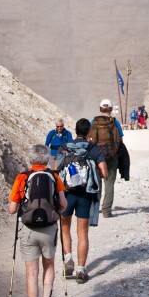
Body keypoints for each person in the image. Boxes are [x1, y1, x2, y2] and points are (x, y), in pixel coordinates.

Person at [8, 144, 67, 297]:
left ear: (31, 160)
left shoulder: (22, 177)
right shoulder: (54, 176)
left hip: (29, 229)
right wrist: (55, 212)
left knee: (31, 272)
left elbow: (12, 209)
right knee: (48, 265)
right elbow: (63, 204)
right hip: (49, 229)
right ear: (47, 159)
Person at [58, 118, 108, 283]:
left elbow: (55, 168)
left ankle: (68, 259)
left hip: (67, 194)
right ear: (89, 132)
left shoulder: (66, 147)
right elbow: (105, 173)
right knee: (82, 233)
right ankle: (80, 269)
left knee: (65, 227)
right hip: (85, 194)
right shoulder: (93, 149)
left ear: (75, 130)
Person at [90, 99, 123, 218]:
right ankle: (106, 211)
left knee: (96, 183)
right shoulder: (115, 122)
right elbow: (120, 139)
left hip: (96, 157)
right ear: (110, 109)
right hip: (111, 157)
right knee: (109, 184)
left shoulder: (93, 122)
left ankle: (94, 209)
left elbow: (88, 138)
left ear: (100, 109)